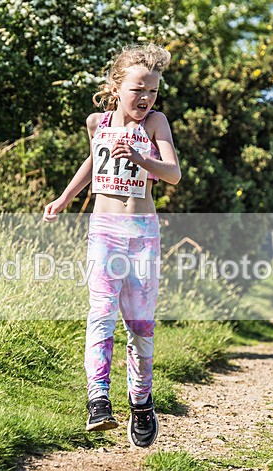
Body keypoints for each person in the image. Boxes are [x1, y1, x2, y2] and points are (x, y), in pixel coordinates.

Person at [43, 44, 181, 447]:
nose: (145, 99)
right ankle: (98, 400)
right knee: (100, 313)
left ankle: (141, 404)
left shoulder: (156, 124)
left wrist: (142, 158)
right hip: (104, 229)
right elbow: (93, 163)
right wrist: (66, 197)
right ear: (117, 86)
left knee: (139, 327)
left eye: (153, 91)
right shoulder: (96, 123)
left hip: (143, 234)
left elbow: (172, 174)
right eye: (138, 89)